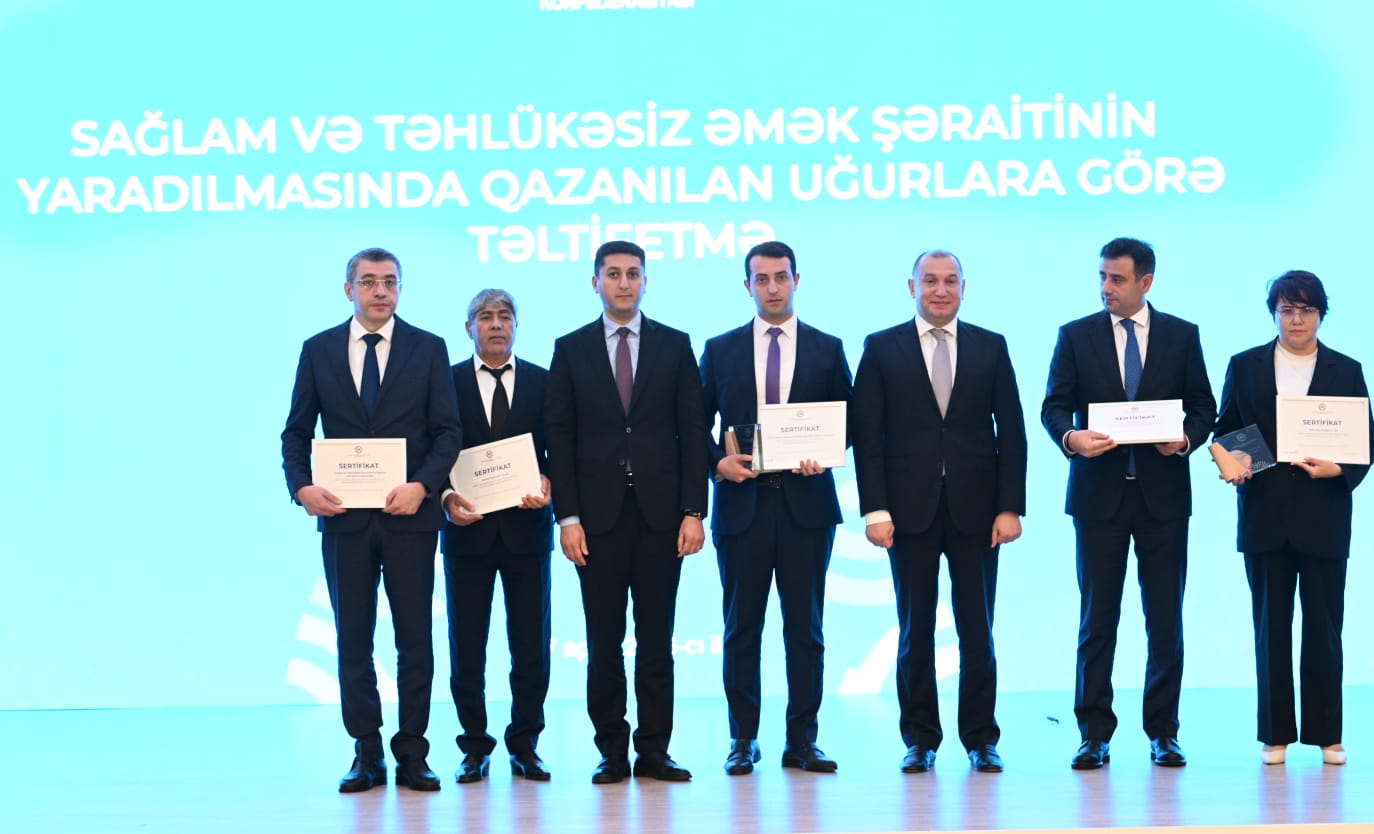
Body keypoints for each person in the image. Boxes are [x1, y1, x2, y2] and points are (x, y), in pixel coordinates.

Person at [281, 247, 462, 792]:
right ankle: (367, 752)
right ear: (349, 290)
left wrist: (422, 486)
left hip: (410, 519)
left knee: (415, 641)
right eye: (369, 282)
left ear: (400, 289)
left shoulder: (428, 348)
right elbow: (296, 433)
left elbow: (447, 433)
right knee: (353, 640)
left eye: (390, 282)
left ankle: (412, 752)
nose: (380, 291)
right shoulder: (318, 350)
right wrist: (302, 488)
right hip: (344, 521)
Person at [1041, 237, 1216, 770]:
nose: (1105, 288)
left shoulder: (1182, 335)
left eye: (1116, 279)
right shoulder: (1075, 335)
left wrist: (1185, 439)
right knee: (1097, 621)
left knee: (1164, 621)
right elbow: (1053, 407)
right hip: (1098, 499)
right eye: (1101, 277)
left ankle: (1163, 732)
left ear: (1146, 282)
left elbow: (1204, 407)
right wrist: (1072, 438)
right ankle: (1093, 734)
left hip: (1164, 500)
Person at [853, 250, 1027, 774]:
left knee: (978, 630)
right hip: (908, 514)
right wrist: (874, 510)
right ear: (912, 287)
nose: (940, 290)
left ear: (963, 288)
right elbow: (868, 437)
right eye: (930, 280)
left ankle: (981, 738)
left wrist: (1010, 507)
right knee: (915, 631)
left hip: (979, 513)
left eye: (950, 281)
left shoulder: (991, 346)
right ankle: (920, 738)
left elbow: (1012, 433)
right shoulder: (881, 348)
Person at [545, 239, 710, 784]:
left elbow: (693, 433)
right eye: (613, 274)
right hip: (596, 522)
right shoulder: (570, 349)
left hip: (663, 518)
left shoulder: (675, 345)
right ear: (595, 282)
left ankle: (655, 750)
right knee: (603, 641)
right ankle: (611, 750)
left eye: (633, 273)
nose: (623, 282)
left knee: (657, 640)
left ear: (645, 281)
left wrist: (694, 510)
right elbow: (559, 439)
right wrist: (567, 518)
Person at [699, 241, 853, 776]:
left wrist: (825, 453)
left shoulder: (827, 349)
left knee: (805, 631)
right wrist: (717, 464)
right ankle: (743, 739)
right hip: (740, 508)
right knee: (741, 628)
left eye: (780, 277)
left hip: (807, 507)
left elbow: (849, 421)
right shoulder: (720, 350)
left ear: (796, 280)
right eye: (761, 279)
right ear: (747, 286)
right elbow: (692, 425)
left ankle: (802, 741)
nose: (771, 287)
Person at [1214, 270, 1371, 766]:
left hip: (1323, 514)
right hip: (1264, 513)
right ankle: (1274, 734)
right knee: (1270, 631)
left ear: (1321, 314)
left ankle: (1327, 735)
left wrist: (1338, 469)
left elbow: (1364, 443)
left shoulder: (1347, 369)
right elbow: (1225, 429)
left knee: (1325, 630)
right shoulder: (1245, 365)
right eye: (1286, 309)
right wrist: (1233, 460)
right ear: (1273, 313)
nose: (1297, 319)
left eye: (1306, 309)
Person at [440, 289, 555, 783]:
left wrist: (550, 483)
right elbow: (430, 450)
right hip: (467, 534)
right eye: (485, 317)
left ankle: (525, 744)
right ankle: (474, 746)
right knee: (467, 646)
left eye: (504, 316)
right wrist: (446, 497)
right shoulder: (444, 382)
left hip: (528, 532)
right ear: (469, 327)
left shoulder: (544, 382)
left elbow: (559, 450)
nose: (495, 325)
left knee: (530, 644)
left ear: (516, 325)